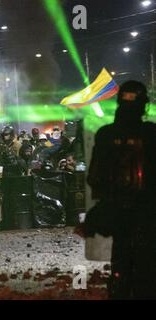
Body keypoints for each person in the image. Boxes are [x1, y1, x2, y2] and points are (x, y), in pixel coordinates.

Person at [80, 81, 156, 299]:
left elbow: (95, 177)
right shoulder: (151, 134)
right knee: (147, 269)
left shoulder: (105, 134)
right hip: (147, 213)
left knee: (121, 262)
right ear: (144, 106)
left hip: (118, 212)